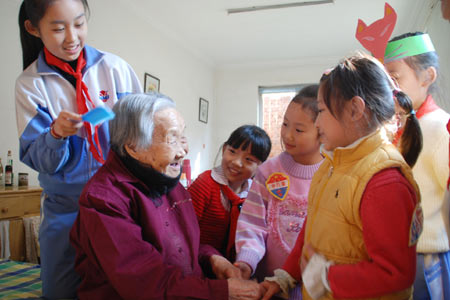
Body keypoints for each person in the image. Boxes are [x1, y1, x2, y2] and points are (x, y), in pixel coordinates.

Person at [70, 92, 264, 300]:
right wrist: (222, 291)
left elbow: (184, 246)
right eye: (172, 139)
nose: (183, 151)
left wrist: (212, 258)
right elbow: (143, 282)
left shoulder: (167, 179)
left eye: (183, 137)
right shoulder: (103, 200)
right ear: (134, 147)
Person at [260, 53, 423, 300]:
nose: (317, 123)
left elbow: (395, 273)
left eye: (322, 111)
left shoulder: (384, 181)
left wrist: (325, 277)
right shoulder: (330, 165)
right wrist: (285, 276)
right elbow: (310, 233)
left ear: (355, 110)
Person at [15, 0, 141, 298]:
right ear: (33, 28)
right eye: (58, 28)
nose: (72, 37)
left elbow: (142, 133)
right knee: (61, 290)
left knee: (122, 287)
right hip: (65, 211)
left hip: (119, 205)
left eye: (79, 24)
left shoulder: (115, 68)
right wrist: (56, 134)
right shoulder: (31, 84)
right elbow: (41, 160)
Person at [233, 85, 323, 299]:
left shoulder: (331, 174)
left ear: (322, 131)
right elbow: (252, 224)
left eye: (299, 130)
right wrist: (247, 259)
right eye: (284, 124)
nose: (287, 134)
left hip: (314, 289)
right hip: (269, 287)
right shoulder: (268, 172)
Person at [384, 32, 450, 299]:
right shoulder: (397, 129)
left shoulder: (439, 128)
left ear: (428, 77)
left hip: (428, 259)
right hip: (399, 259)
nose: (390, 88)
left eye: (396, 78)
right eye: (385, 79)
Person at [188, 125, 271, 261]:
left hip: (238, 265)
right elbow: (184, 230)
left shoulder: (254, 194)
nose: (237, 162)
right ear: (224, 149)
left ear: (261, 166)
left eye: (249, 159)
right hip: (200, 262)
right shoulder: (205, 184)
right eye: (232, 151)